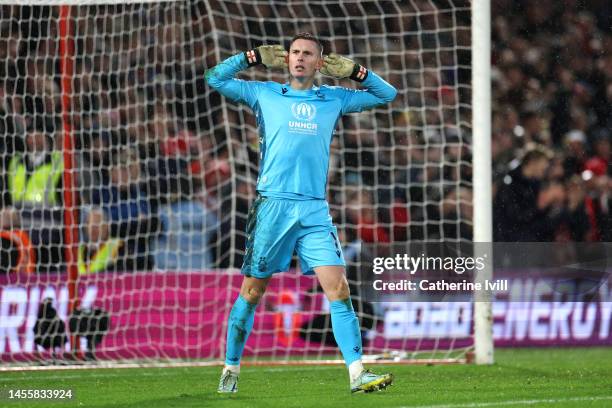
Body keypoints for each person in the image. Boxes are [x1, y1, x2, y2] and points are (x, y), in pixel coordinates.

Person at [206, 32, 397, 394]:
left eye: (308, 54)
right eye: (295, 52)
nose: (299, 58)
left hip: (314, 210)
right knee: (251, 292)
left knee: (338, 290)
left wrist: (357, 72)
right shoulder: (264, 93)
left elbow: (387, 94)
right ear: (286, 58)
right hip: (272, 207)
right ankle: (230, 369)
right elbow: (215, 78)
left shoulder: (333, 99)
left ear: (319, 63)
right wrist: (251, 57)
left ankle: (358, 374)